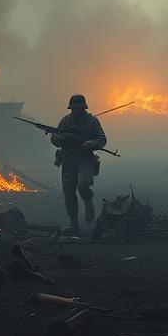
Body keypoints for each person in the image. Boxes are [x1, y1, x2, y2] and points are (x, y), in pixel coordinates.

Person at [51, 94, 108, 233]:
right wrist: (59, 138)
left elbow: (102, 139)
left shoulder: (92, 122)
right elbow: (54, 138)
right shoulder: (65, 121)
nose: (76, 111)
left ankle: (88, 200)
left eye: (79, 108)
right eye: (74, 108)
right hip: (68, 159)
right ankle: (74, 223)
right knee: (69, 193)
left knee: (83, 185)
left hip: (85, 160)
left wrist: (90, 144)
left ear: (84, 108)